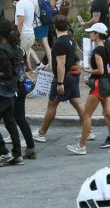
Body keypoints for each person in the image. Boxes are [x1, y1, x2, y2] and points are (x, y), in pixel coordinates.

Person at [0, 17, 34, 165]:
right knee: (11, 122)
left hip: (1, 90)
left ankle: (3, 151)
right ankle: (17, 154)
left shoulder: (2, 49)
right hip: (12, 91)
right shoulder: (16, 48)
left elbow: (7, 72)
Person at [69, 23, 110, 155]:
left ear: (97, 34)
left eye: (92, 32)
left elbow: (100, 70)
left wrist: (87, 69)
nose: (90, 35)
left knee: (87, 115)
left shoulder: (97, 51)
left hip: (99, 84)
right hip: (106, 84)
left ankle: (81, 145)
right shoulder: (106, 48)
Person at [35, 16, 86, 144]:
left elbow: (61, 64)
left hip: (64, 78)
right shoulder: (70, 39)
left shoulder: (59, 43)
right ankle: (88, 129)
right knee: (77, 103)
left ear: (54, 27)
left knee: (52, 104)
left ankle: (41, 133)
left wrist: (60, 83)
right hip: (73, 75)